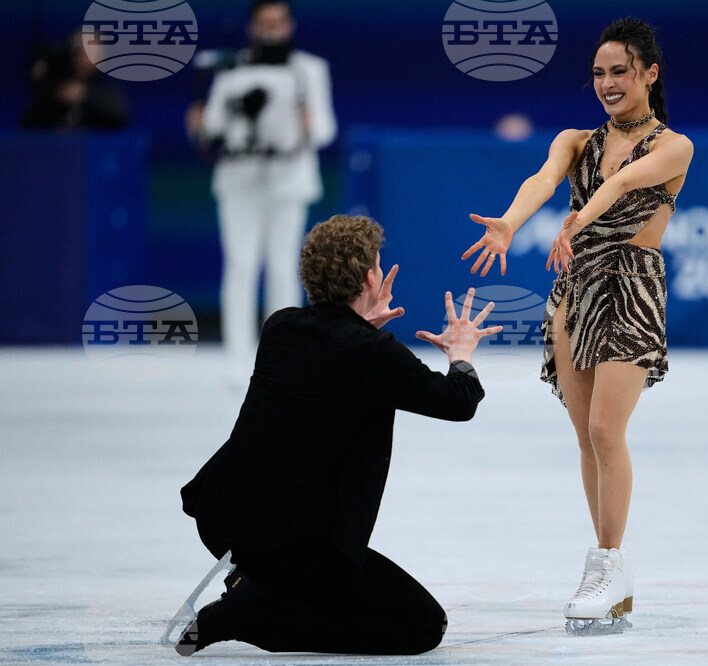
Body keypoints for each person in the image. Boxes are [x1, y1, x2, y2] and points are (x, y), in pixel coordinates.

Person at [174, 214, 503, 656]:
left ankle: (258, 584)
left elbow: (332, 363)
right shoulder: (372, 353)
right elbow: (456, 402)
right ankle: (250, 612)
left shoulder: (281, 327)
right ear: (371, 277)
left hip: (223, 517)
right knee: (423, 625)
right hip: (297, 544)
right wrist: (461, 353)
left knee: (314, 577)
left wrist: (365, 328)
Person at [460, 17, 693, 634]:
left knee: (605, 429)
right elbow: (541, 180)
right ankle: (607, 572)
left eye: (621, 71)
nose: (609, 83)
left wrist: (575, 222)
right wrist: (511, 222)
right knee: (586, 438)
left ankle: (609, 563)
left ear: (650, 74)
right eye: (599, 73)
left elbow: (622, 184)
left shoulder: (675, 146)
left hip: (631, 289)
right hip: (573, 292)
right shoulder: (574, 139)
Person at [186, 0, 337, 386]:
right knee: (241, 265)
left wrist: (308, 123)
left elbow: (325, 130)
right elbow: (214, 124)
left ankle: (284, 356)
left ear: (289, 26)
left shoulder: (310, 69)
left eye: (278, 22)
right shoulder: (232, 67)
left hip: (289, 179)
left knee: (285, 268)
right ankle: (238, 361)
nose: (271, 30)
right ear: (252, 27)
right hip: (239, 178)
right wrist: (200, 124)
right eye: (263, 23)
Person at [21, 29, 129, 130]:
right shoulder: (54, 82)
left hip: (90, 145)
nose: (81, 58)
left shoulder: (106, 87)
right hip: (50, 144)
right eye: (77, 51)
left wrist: (85, 95)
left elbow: (119, 115)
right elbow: (29, 125)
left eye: (89, 53)